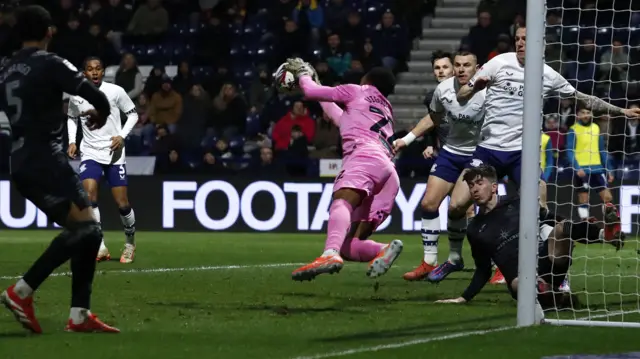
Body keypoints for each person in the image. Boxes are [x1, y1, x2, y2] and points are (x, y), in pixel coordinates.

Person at [452, 25, 640, 243]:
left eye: (526, 39)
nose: (520, 43)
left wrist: (622, 111)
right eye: (518, 39)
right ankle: (455, 258)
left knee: (539, 211)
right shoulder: (498, 63)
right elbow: (462, 94)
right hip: (488, 149)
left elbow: (585, 99)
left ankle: (549, 263)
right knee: (457, 204)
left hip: (522, 154)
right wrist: (474, 88)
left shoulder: (548, 75)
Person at [0, 5, 119, 333]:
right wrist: (103, 110)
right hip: (46, 158)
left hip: (20, 162)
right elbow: (93, 94)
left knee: (86, 233)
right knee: (89, 230)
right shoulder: (49, 62)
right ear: (49, 31)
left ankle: (79, 315)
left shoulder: (6, 68)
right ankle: (21, 291)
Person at [435, 165, 624, 307]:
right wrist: (463, 297)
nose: (474, 189)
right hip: (520, 279)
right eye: (470, 185)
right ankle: (560, 299)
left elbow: (550, 217)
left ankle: (605, 235)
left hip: (548, 261)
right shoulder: (474, 228)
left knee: (561, 227)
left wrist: (586, 229)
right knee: (522, 285)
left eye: (479, 183)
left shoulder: (517, 203)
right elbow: (483, 270)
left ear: (493, 187)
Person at [284, 58, 403, 281]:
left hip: (364, 157)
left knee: (341, 202)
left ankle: (329, 253)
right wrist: (317, 83)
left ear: (367, 79)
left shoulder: (356, 90)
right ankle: (383, 249)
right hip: (388, 174)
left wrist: (302, 75)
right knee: (349, 245)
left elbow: (310, 92)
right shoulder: (385, 108)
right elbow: (338, 116)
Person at [393, 51, 485, 282]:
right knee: (428, 203)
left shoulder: (488, 92)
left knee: (460, 208)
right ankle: (431, 261)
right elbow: (433, 119)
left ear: (477, 68)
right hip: (450, 153)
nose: (461, 69)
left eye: (466, 65)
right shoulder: (442, 91)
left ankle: (487, 261)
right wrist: (407, 139)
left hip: (478, 153)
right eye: (458, 65)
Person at [67, 56, 139, 264]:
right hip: (89, 152)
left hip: (114, 154)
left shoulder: (115, 91)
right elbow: (72, 117)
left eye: (98, 68)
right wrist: (72, 141)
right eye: (90, 69)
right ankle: (100, 246)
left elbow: (133, 114)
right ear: (84, 73)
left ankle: (129, 243)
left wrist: (122, 136)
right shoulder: (76, 96)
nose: (95, 72)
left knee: (122, 204)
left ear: (103, 71)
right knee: (89, 197)